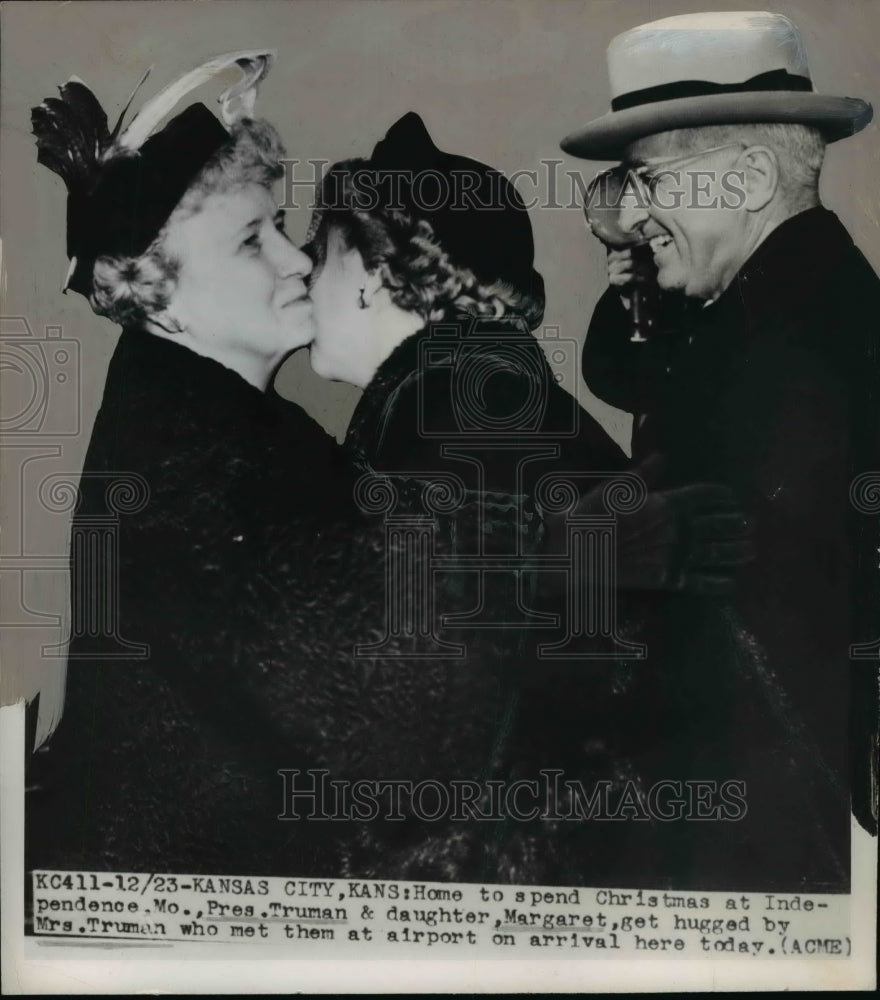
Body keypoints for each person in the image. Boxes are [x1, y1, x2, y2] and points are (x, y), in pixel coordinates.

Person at [304, 112, 756, 885]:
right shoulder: (480, 387)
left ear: (370, 272)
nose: (301, 276)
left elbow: (407, 661)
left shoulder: (442, 404)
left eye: (319, 253)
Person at [563, 10, 880, 889]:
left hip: (755, 845)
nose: (627, 212)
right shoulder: (787, 313)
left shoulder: (777, 354)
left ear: (742, 180)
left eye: (647, 180)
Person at [25, 53, 361, 880]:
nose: (297, 261)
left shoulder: (190, 409)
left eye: (280, 229)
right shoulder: (203, 444)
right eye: (254, 238)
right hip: (193, 882)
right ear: (156, 288)